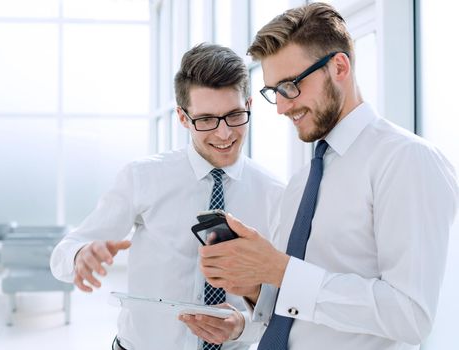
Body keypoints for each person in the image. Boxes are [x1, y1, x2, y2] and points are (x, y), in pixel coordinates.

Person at [184, 3, 459, 350]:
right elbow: (300, 312)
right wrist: (255, 289)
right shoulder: (300, 183)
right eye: (274, 92)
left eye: (290, 86)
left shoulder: (405, 160)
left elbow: (410, 315)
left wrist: (280, 270)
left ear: (339, 67)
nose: (282, 107)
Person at [50, 43, 284, 350]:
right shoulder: (142, 177)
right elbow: (62, 254)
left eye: (234, 115)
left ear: (250, 105)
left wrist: (243, 326)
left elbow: (281, 301)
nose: (224, 133)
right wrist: (81, 256)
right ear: (183, 118)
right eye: (206, 120)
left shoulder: (274, 194)